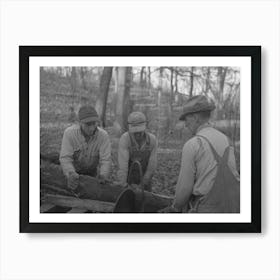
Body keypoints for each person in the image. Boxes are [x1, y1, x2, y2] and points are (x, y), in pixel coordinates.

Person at [160, 95, 240, 213]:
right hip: (235, 206)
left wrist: (175, 208)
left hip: (208, 209)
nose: (186, 124)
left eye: (186, 119)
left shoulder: (193, 144)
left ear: (195, 118)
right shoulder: (226, 140)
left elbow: (184, 189)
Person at [59, 105, 111, 190]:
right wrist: (70, 173)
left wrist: (103, 175)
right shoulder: (69, 133)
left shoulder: (103, 136)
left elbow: (105, 160)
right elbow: (65, 158)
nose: (91, 128)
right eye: (88, 124)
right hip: (73, 172)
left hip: (92, 174)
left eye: (94, 123)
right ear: (80, 122)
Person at [117, 112, 157, 191]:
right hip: (128, 178)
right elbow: (122, 166)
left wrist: (143, 183)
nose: (137, 134)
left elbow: (151, 166)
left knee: (146, 200)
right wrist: (123, 184)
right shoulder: (125, 139)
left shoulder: (152, 140)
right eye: (135, 132)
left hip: (145, 178)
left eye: (140, 131)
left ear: (145, 127)